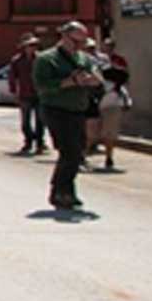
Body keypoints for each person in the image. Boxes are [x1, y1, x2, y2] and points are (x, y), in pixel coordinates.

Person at [32, 21, 102, 210]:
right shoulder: (47, 59)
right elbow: (42, 86)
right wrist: (69, 82)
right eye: (76, 41)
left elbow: (97, 76)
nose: (80, 46)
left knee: (76, 152)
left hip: (78, 110)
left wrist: (93, 80)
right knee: (68, 151)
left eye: (82, 42)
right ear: (64, 37)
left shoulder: (84, 59)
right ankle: (61, 192)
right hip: (56, 110)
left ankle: (64, 190)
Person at [8, 33, 46, 154]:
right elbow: (12, 77)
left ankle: (40, 143)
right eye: (29, 45)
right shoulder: (17, 61)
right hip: (25, 94)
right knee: (25, 121)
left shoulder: (41, 59)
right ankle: (28, 141)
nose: (32, 48)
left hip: (40, 94)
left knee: (40, 120)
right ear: (24, 47)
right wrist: (14, 90)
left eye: (34, 45)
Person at [97, 43, 132, 171]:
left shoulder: (118, 75)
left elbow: (123, 83)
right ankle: (83, 154)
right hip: (95, 106)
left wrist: (126, 100)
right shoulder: (94, 74)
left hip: (111, 105)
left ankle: (108, 157)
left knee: (109, 134)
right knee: (92, 134)